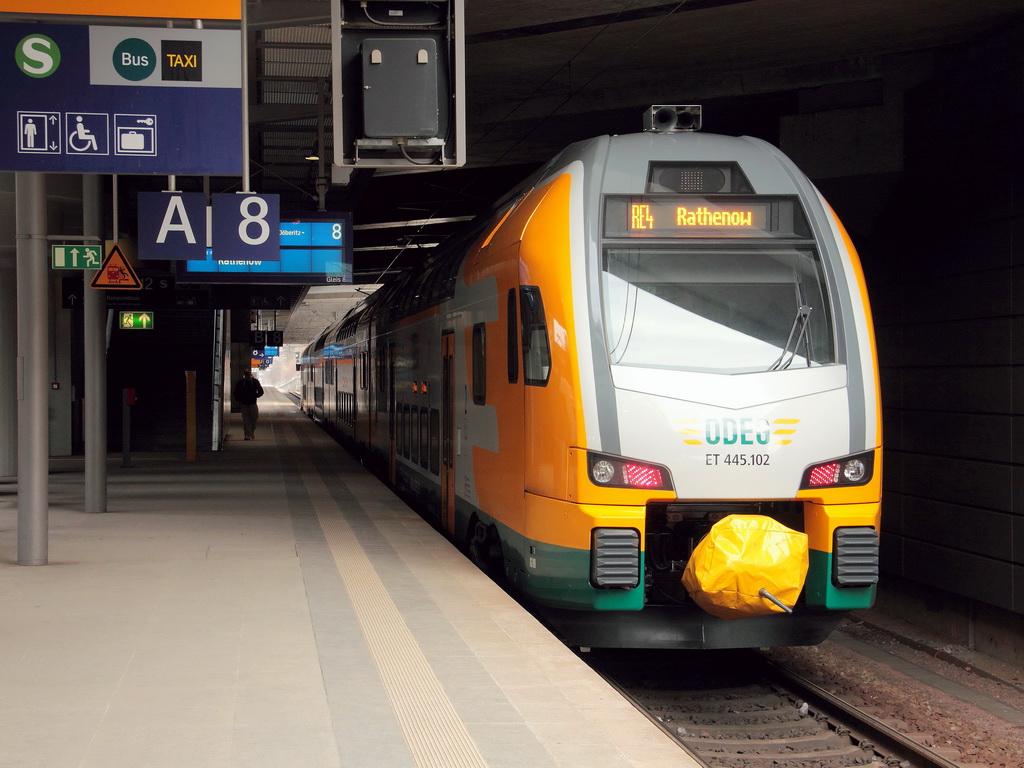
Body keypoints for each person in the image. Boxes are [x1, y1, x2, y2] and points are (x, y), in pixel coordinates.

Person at [233, 369, 264, 440]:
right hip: (244, 404)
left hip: (253, 403)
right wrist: (239, 399)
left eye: (248, 374)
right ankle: (247, 434)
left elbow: (261, 391)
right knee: (246, 420)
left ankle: (252, 431)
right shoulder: (240, 383)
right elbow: (236, 393)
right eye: (246, 375)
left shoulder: (255, 382)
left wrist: (255, 395)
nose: (247, 376)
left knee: (254, 419)